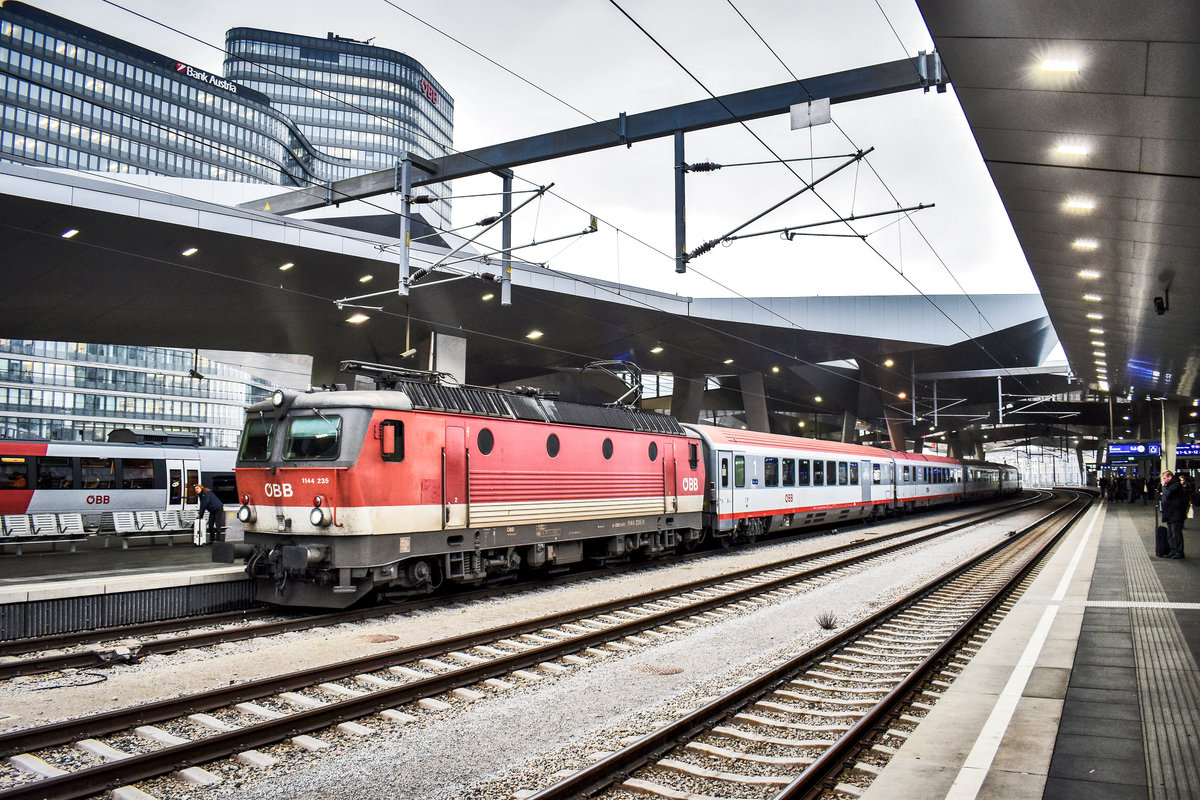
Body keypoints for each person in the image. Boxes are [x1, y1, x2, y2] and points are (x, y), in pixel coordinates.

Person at [1159, 470, 1188, 559]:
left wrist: (1164, 486)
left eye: (1164, 478)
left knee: (1176, 533)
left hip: (1175, 513)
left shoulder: (1176, 485)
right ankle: (1173, 550)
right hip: (1169, 513)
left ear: (1170, 477)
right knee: (1170, 533)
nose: (1163, 480)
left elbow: (1167, 494)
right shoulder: (1170, 485)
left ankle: (1179, 551)